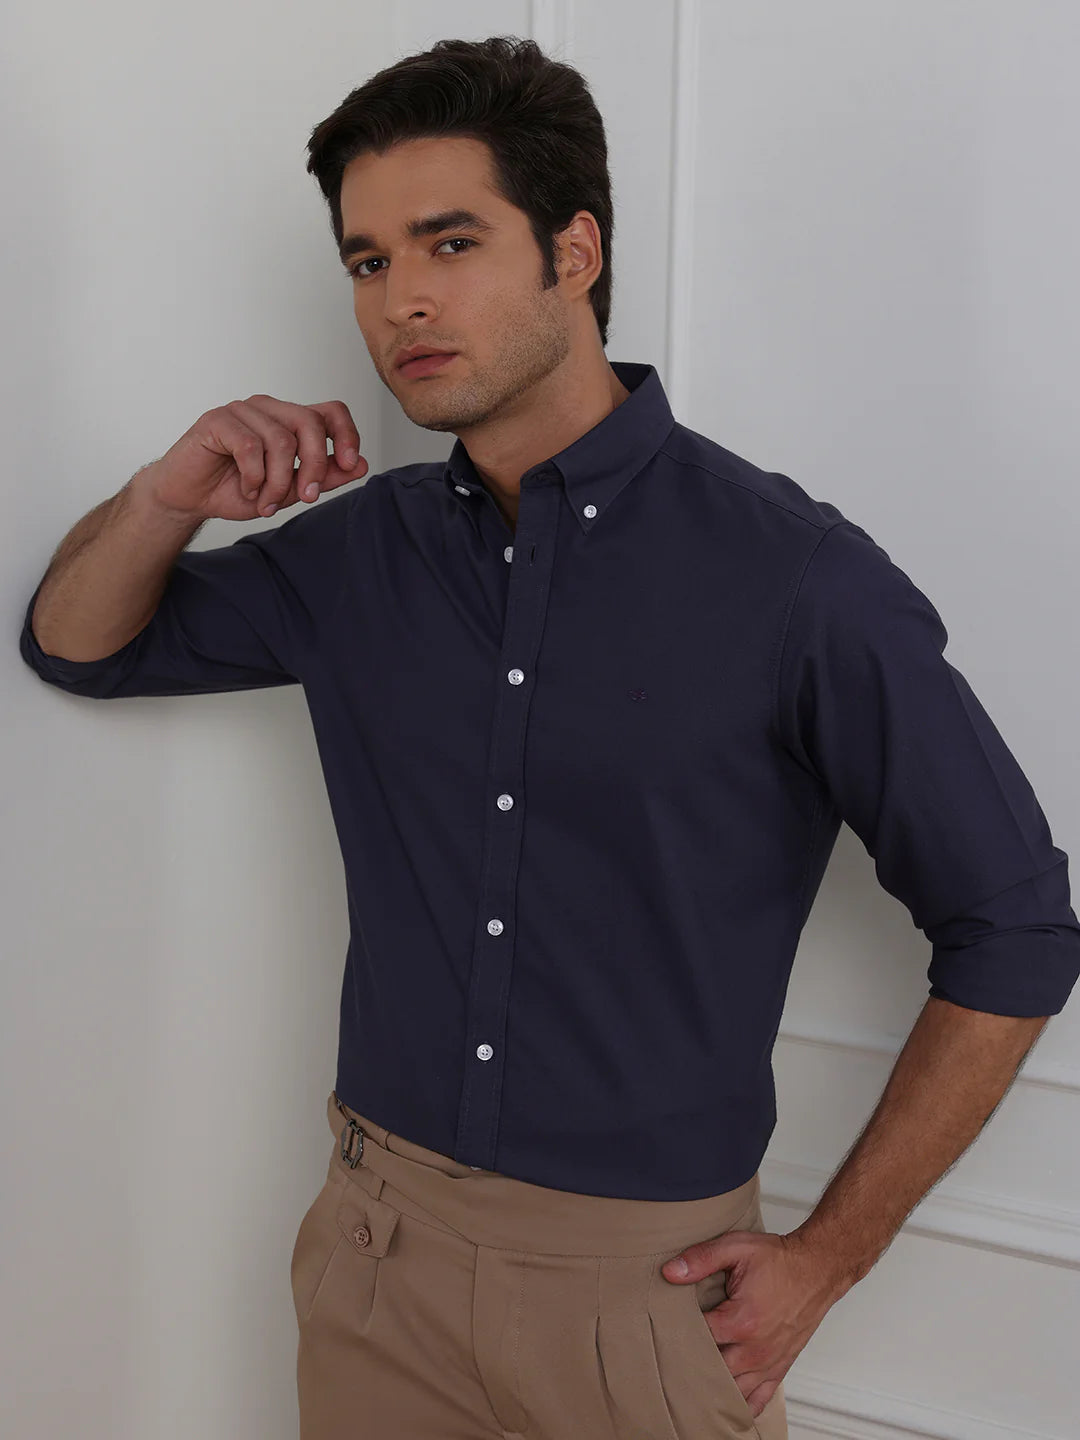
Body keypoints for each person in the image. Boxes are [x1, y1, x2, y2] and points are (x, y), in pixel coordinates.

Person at [19, 34, 1079, 1440]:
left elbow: (1016, 928)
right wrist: (168, 495)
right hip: (377, 1267)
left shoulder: (795, 582)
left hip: (646, 1298)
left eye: (450, 242)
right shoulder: (363, 554)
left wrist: (832, 1257)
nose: (401, 299)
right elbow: (79, 643)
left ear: (574, 253)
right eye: (367, 260)